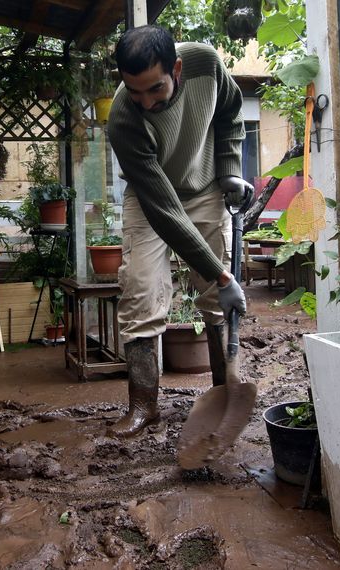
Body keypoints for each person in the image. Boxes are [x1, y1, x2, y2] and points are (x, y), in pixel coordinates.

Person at [105, 25, 251, 438]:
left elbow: (229, 112)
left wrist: (229, 169)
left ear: (178, 68)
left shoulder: (206, 64)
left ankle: (226, 391)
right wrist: (222, 275)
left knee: (215, 300)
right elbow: (165, 211)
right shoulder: (123, 120)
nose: (146, 102)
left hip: (204, 187)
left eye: (155, 89)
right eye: (135, 92)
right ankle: (143, 405)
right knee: (140, 290)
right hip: (152, 198)